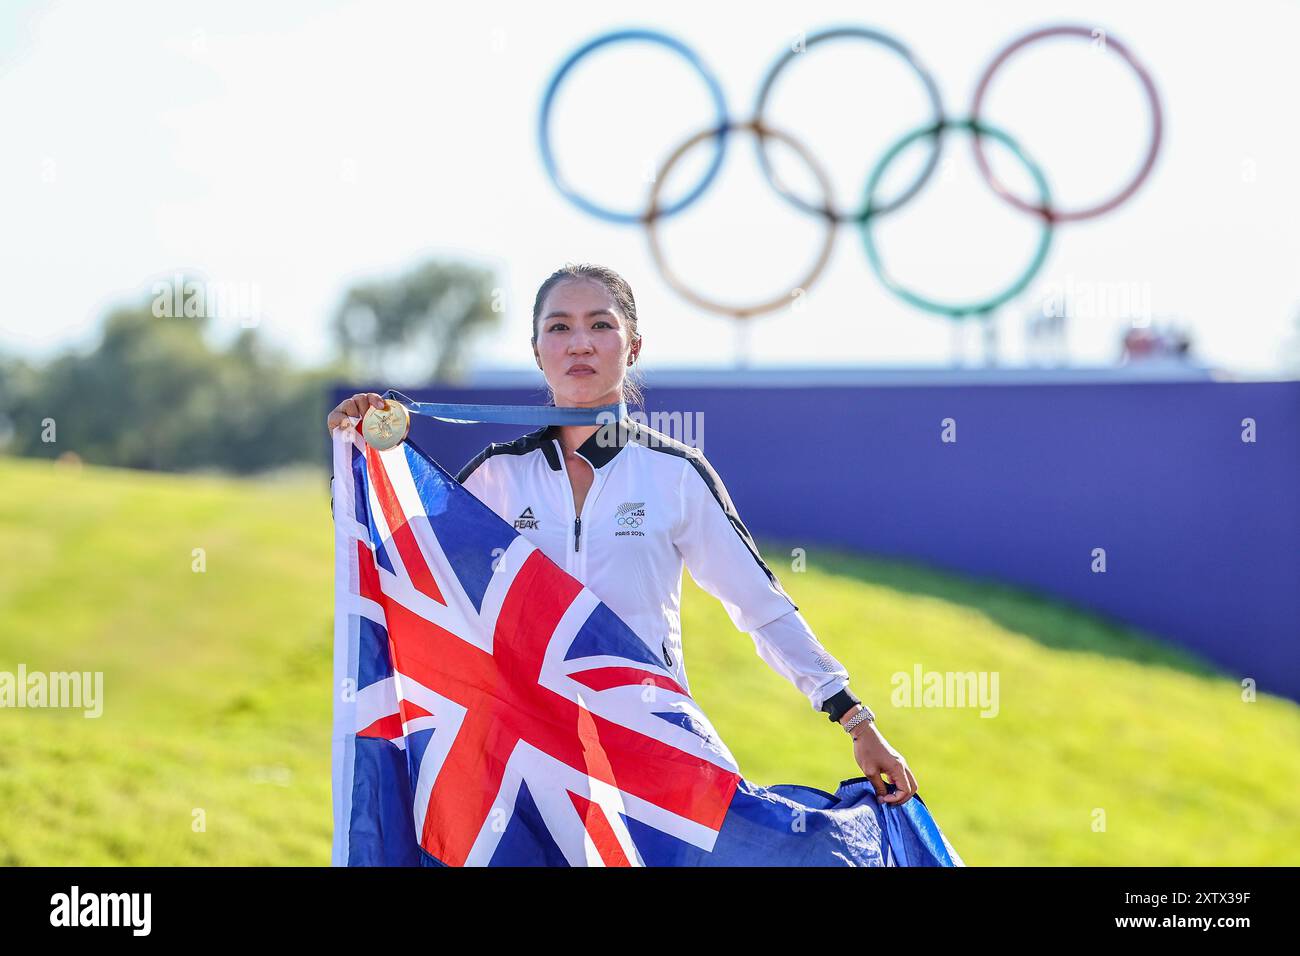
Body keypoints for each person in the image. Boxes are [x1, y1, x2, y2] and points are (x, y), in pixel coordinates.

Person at [328, 263, 918, 806]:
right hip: (529, 751)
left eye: (599, 325)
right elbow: (395, 558)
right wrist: (356, 457)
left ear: (633, 346)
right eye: (558, 327)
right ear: (538, 352)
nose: (579, 342)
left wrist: (855, 720)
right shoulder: (497, 475)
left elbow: (759, 606)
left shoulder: (674, 473)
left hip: (648, 742)